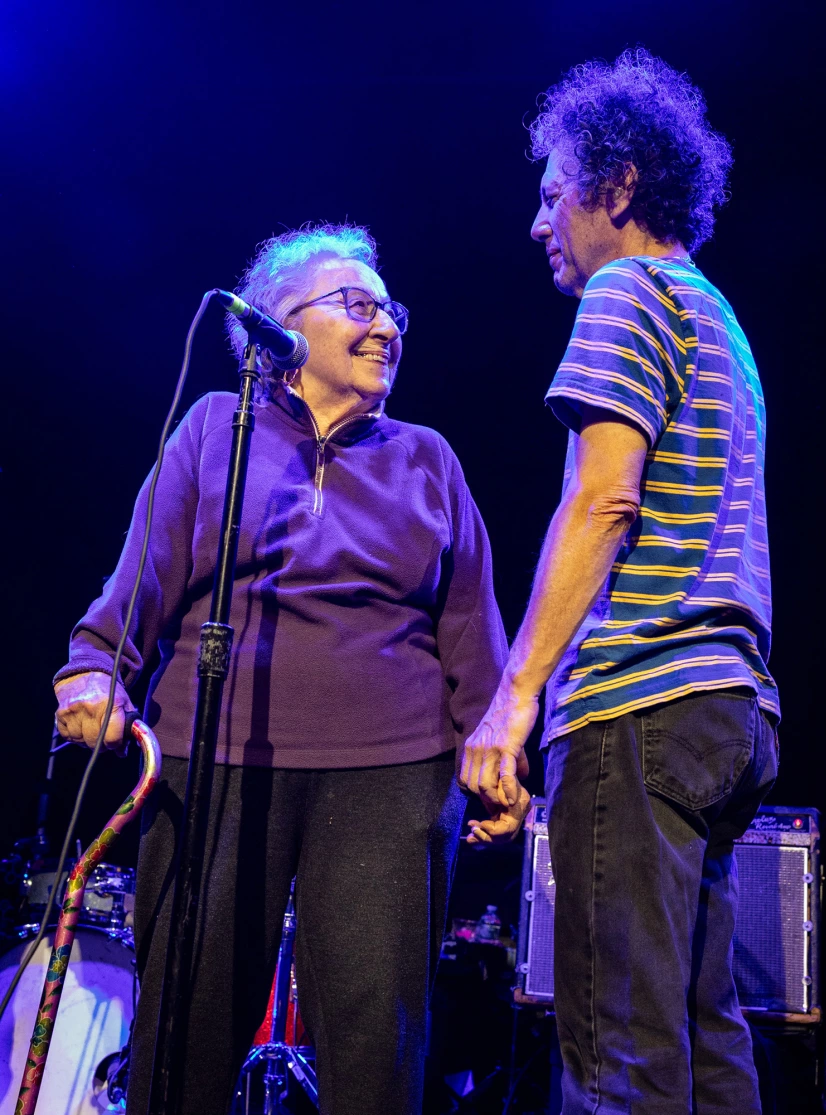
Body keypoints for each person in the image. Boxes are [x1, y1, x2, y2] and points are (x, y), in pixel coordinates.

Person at [53, 223, 507, 1115]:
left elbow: (470, 624)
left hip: (394, 766)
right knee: (182, 1032)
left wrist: (495, 754)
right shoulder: (215, 428)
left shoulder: (428, 457)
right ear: (279, 330)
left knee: (379, 1048)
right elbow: (144, 568)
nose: (386, 327)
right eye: (358, 304)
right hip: (214, 753)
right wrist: (96, 665)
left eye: (392, 310)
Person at [460, 50, 780, 1114]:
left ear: (620, 182)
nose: (538, 222)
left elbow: (601, 502)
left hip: (638, 704)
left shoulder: (626, 288)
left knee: (620, 1060)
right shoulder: (719, 319)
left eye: (554, 192)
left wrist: (513, 702)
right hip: (722, 711)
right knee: (701, 1033)